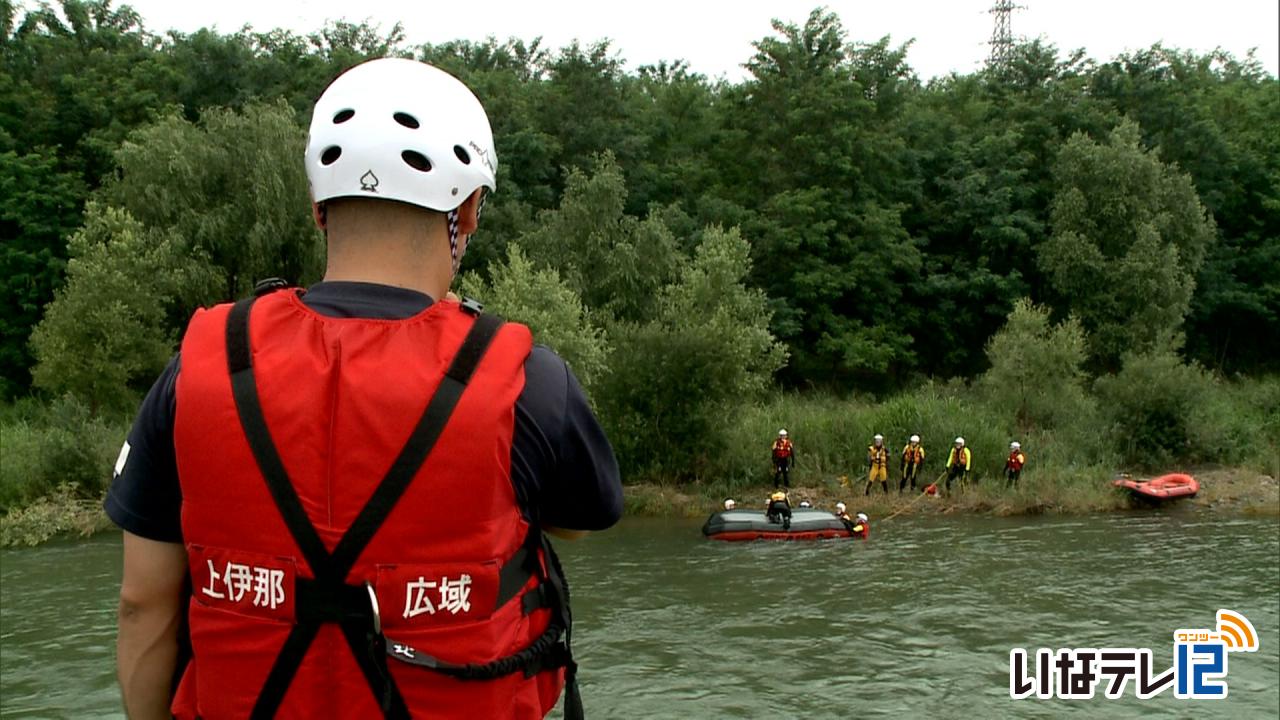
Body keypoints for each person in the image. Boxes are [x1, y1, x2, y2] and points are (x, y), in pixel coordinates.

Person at [106, 58, 622, 720]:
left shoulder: (203, 366)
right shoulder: (527, 383)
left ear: (317, 208)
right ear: (467, 211)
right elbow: (575, 523)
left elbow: (142, 603)